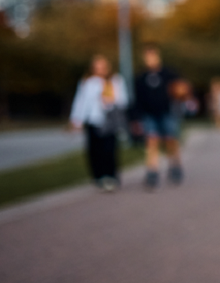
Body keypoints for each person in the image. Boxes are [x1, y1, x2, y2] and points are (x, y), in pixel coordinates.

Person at [69, 55, 128, 192]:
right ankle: (99, 177)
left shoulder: (115, 80)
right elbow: (81, 102)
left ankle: (111, 176)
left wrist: (111, 99)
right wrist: (77, 119)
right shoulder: (87, 82)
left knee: (109, 150)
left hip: (110, 120)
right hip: (93, 120)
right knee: (94, 151)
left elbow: (123, 101)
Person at [133, 44, 183, 190]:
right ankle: (152, 171)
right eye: (147, 56)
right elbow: (137, 99)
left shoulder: (168, 73)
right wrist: (136, 118)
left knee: (170, 140)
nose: (150, 59)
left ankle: (175, 165)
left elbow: (180, 88)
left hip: (167, 112)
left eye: (153, 55)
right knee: (152, 140)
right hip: (149, 114)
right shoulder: (141, 78)